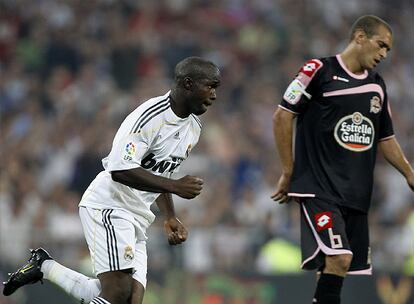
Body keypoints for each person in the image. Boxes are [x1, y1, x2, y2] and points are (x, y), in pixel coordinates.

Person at [3, 56, 221, 304]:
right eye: (210, 86)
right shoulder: (149, 118)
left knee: (129, 300)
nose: (214, 94)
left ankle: (45, 267)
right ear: (188, 84)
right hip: (110, 205)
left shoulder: (194, 127)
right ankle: (45, 267)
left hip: (139, 216)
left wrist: (170, 215)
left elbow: (161, 174)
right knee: (117, 294)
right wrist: (176, 186)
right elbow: (120, 169)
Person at [271, 15, 414, 304]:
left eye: (388, 49)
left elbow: (385, 138)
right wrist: (289, 170)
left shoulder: (377, 86)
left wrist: (410, 174)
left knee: (334, 269)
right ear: (360, 37)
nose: (384, 54)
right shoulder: (318, 70)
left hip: (356, 195)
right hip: (319, 188)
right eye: (381, 45)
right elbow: (283, 115)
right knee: (340, 257)